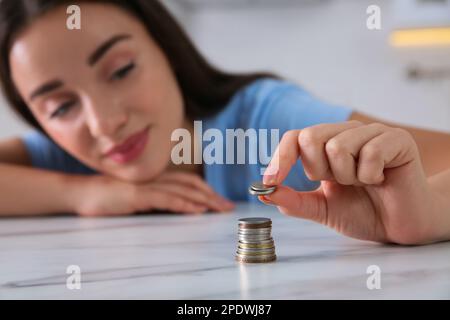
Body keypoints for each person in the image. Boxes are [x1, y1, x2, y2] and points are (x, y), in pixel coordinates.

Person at [0, 0, 449, 244]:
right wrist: (83, 193)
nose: (105, 124)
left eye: (121, 71)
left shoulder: (269, 124)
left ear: (168, 53)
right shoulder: (67, 159)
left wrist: (427, 213)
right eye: (60, 108)